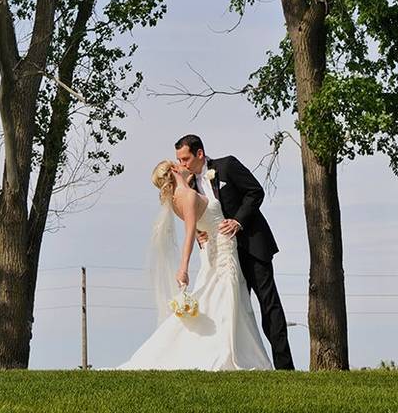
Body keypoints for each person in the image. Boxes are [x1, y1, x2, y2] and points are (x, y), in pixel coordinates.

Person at [115, 159, 272, 370]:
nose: (182, 164)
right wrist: (183, 267)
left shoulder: (177, 198)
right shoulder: (187, 195)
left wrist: (201, 232)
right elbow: (190, 233)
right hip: (223, 248)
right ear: (173, 170)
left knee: (218, 297)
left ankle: (231, 348)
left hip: (214, 249)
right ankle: (226, 352)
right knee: (227, 298)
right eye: (177, 163)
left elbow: (199, 225)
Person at [176, 134, 294, 370]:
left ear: (200, 154)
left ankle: (285, 368)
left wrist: (238, 221)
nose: (182, 164)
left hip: (252, 245)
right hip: (222, 254)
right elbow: (199, 216)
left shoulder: (227, 165)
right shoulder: (190, 185)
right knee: (234, 308)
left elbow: (255, 192)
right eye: (179, 160)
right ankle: (236, 360)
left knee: (268, 304)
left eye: (186, 158)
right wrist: (201, 233)